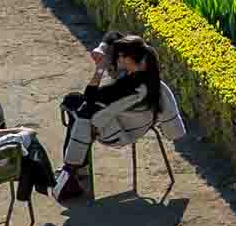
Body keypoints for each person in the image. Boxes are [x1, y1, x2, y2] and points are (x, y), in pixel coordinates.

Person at [54, 33, 161, 201]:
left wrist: (100, 69)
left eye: (120, 56)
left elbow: (90, 95)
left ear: (130, 59)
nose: (117, 59)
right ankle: (78, 168)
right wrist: (102, 47)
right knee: (78, 106)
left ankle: (73, 168)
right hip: (136, 122)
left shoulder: (129, 86)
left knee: (76, 106)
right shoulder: (149, 73)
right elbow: (114, 35)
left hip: (116, 130)